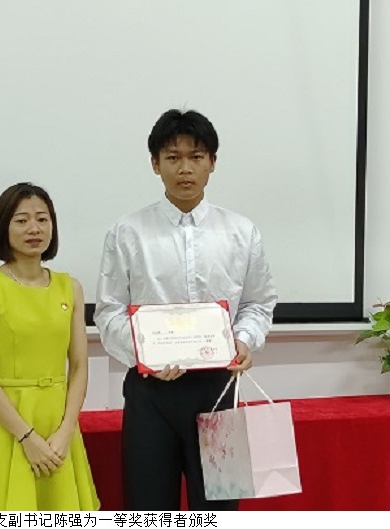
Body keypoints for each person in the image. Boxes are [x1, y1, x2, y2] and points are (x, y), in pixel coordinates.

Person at [94, 109, 277, 511]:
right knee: (148, 507)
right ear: (155, 164)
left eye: (196, 156)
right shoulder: (127, 232)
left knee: (220, 508)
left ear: (213, 162)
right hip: (151, 392)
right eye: (173, 157)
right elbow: (108, 312)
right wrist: (146, 354)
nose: (185, 168)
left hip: (220, 388)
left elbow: (258, 303)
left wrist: (244, 340)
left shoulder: (242, 232)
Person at [0, 183, 99, 510]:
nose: (34, 229)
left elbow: (79, 366)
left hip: (58, 426)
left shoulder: (70, 287)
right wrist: (27, 437)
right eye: (22, 220)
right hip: (7, 427)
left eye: (42, 219)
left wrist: (66, 430)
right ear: (3, 226)